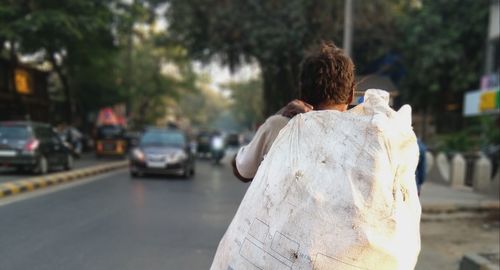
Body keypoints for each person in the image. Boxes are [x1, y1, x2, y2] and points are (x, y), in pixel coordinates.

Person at [232, 41, 353, 182]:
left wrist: (281, 113)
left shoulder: (278, 126)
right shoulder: (365, 134)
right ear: (351, 95)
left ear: (302, 93)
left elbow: (243, 170)